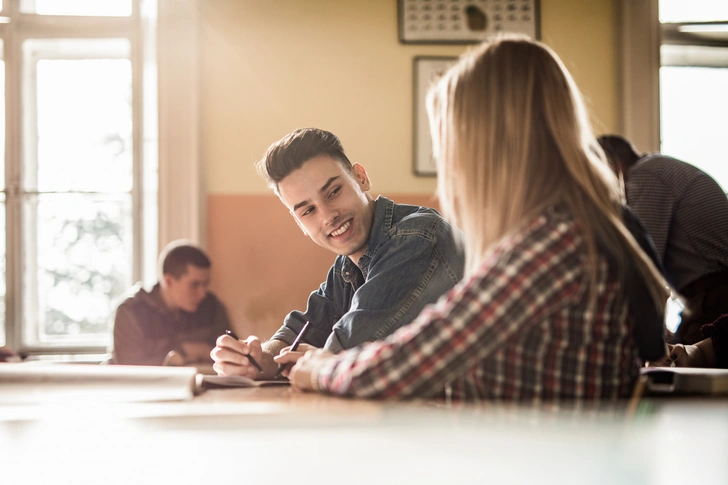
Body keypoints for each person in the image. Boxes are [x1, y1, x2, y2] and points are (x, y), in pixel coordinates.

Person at [276, 34, 670, 402]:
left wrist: (321, 369)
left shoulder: (552, 243)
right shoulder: (569, 227)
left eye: (449, 143)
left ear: (489, 144)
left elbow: (407, 364)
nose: (449, 164)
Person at [210, 128, 464, 378]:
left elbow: (347, 352)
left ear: (361, 177)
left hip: (473, 416)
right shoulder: (348, 266)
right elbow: (305, 329)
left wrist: (308, 362)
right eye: (308, 211)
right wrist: (258, 358)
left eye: (333, 192)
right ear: (299, 223)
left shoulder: (417, 238)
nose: (328, 216)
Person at [597, 134, 728, 344]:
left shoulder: (646, 174)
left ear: (611, 167)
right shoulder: (658, 169)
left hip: (716, 299)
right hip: (707, 297)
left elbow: (640, 265)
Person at [110, 241, 230, 366]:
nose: (202, 293)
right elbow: (129, 369)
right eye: (194, 285)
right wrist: (183, 351)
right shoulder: (131, 311)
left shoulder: (212, 307)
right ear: (168, 281)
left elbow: (232, 356)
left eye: (205, 284)